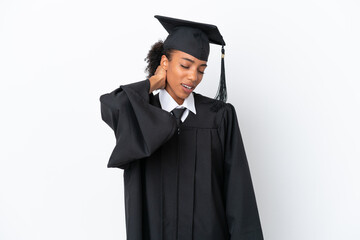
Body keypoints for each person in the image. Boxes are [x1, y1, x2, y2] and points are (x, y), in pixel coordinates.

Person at [100, 15, 264, 240]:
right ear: (165, 63)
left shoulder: (219, 117)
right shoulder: (139, 114)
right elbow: (111, 105)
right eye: (185, 65)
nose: (193, 77)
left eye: (201, 69)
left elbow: (239, 196)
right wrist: (153, 83)